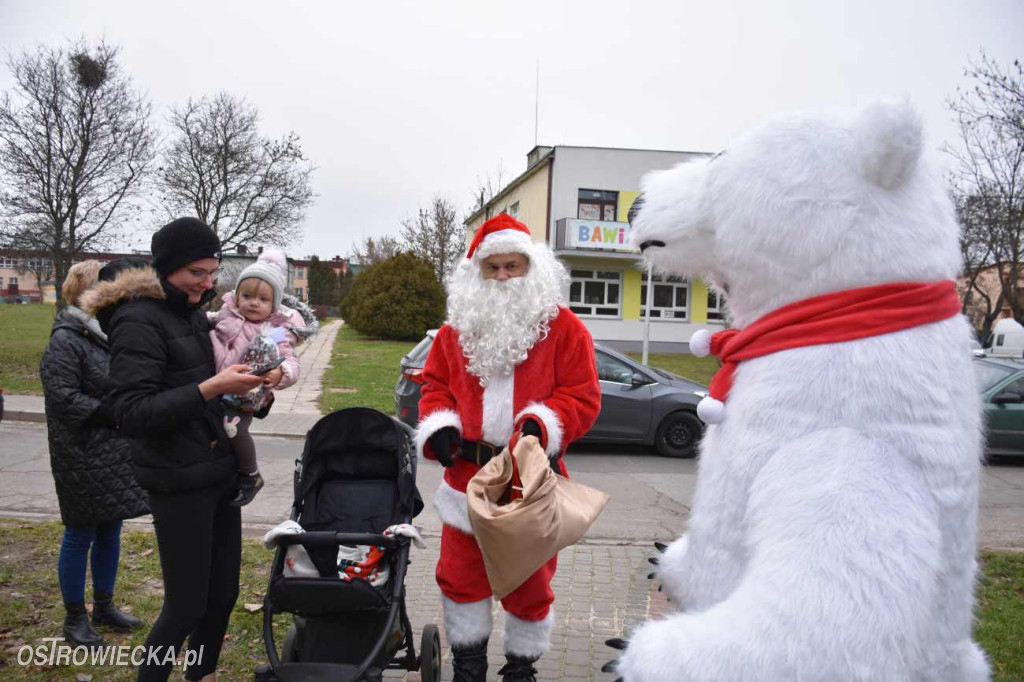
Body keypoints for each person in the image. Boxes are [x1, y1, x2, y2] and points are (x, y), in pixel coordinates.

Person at [415, 214, 602, 682]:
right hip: (466, 478)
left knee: (530, 580)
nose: (501, 277)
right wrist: (440, 424)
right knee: (461, 576)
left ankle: (521, 668)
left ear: (530, 267)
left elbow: (582, 395)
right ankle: (469, 665)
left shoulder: (565, 329)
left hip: (531, 478)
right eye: (492, 268)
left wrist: (543, 424)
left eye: (512, 266)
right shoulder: (455, 330)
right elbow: (434, 386)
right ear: (476, 273)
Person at [82, 217, 264, 682]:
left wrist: (253, 392)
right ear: (166, 270)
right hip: (178, 481)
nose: (207, 284)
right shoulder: (137, 322)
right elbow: (131, 412)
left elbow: (213, 393)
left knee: (222, 595)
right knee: (185, 607)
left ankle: (198, 675)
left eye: (212, 272)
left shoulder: (190, 314)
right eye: (196, 274)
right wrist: (211, 387)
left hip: (218, 471)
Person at [41, 260, 151, 648]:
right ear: (85, 293)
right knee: (80, 533)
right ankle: (75, 618)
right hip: (82, 452)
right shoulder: (67, 338)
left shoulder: (103, 335)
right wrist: (109, 412)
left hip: (115, 451)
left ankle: (104, 606)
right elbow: (61, 395)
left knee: (111, 527)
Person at [208, 248, 307, 506]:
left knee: (234, 428)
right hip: (217, 386)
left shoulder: (271, 330)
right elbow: (207, 320)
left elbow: (288, 357)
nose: (254, 303)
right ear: (236, 296)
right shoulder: (227, 315)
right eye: (248, 296)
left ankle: (251, 474)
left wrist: (280, 373)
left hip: (244, 394)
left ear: (273, 305)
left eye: (262, 299)